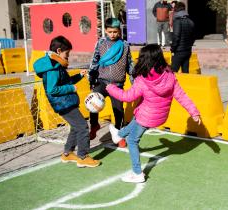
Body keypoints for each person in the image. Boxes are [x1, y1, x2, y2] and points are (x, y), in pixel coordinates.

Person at [106, 44, 201, 183]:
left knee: (132, 140)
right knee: (136, 119)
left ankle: (137, 173)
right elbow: (182, 95)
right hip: (160, 116)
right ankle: (118, 135)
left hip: (147, 116)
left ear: (145, 60)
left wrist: (110, 88)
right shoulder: (169, 74)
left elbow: (127, 97)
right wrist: (194, 112)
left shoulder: (142, 79)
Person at [33, 36, 100, 168]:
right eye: (67, 54)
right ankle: (83, 156)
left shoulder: (56, 64)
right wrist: (71, 88)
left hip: (66, 101)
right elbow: (52, 89)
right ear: (58, 51)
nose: (68, 57)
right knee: (83, 127)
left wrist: (79, 76)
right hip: (63, 103)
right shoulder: (52, 68)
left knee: (76, 127)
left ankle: (68, 153)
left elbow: (65, 81)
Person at [88, 18, 134, 148]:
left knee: (118, 110)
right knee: (93, 101)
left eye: (115, 32)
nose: (113, 34)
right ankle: (94, 125)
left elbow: (130, 64)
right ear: (105, 31)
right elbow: (95, 60)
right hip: (101, 82)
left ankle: (119, 135)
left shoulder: (125, 45)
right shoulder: (101, 43)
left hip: (117, 85)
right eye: (110, 32)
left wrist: (134, 80)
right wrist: (91, 78)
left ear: (119, 31)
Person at [170, 2, 195, 73]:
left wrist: (173, 48)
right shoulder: (190, 21)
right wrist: (189, 45)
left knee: (172, 73)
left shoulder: (177, 21)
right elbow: (193, 37)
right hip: (188, 50)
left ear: (176, 10)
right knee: (185, 72)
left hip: (179, 51)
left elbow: (176, 36)